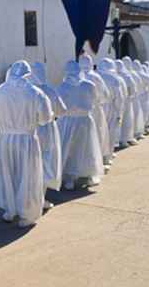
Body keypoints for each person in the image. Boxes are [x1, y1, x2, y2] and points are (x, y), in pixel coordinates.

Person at [0, 61, 52, 227]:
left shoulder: (0, 91)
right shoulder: (35, 93)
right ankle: (27, 213)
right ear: (28, 74)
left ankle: (10, 209)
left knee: (9, 173)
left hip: (6, 139)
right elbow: (45, 118)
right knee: (28, 175)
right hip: (27, 139)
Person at [57, 61, 104, 190]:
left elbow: (58, 106)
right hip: (84, 120)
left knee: (67, 148)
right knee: (86, 148)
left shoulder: (62, 86)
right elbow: (95, 100)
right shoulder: (89, 85)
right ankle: (87, 173)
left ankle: (68, 176)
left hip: (67, 121)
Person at [29, 62, 65, 207]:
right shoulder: (49, 90)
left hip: (28, 129)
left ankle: (28, 197)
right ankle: (41, 198)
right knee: (45, 161)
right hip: (47, 129)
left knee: (29, 163)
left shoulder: (27, 90)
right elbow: (61, 110)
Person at [79, 55, 112, 169]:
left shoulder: (75, 77)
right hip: (96, 109)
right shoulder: (96, 77)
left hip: (81, 112)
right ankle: (101, 159)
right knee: (99, 133)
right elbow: (105, 95)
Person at [97, 59, 127, 155]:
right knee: (110, 132)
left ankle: (97, 155)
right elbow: (119, 97)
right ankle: (107, 155)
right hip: (111, 108)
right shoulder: (115, 79)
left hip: (97, 108)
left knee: (98, 131)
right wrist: (119, 111)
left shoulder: (95, 77)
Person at [115, 60, 138, 147]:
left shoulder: (115, 77)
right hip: (127, 101)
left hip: (115, 103)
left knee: (117, 121)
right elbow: (133, 89)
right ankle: (125, 139)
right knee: (127, 120)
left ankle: (117, 140)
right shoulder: (127, 76)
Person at [123, 57, 146, 140]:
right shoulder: (132, 75)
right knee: (132, 117)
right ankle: (133, 135)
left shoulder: (120, 74)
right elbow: (137, 86)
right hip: (133, 98)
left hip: (124, 100)